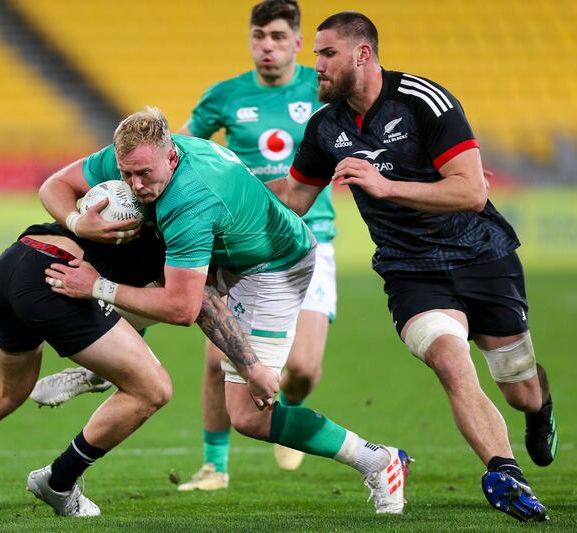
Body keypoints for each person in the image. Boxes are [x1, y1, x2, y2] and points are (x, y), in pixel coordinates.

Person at [39, 106, 412, 514]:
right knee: (135, 264)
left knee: (250, 417)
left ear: (172, 156)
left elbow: (184, 308)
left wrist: (97, 286)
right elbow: (54, 186)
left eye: (144, 174)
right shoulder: (135, 153)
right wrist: (78, 223)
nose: (134, 185)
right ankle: (103, 370)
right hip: (225, 250)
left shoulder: (192, 201)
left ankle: (378, 460)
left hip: (274, 267)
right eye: (127, 173)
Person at [272, 11, 555, 522]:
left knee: (520, 389)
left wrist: (385, 185)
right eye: (314, 55)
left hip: (482, 258)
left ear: (363, 54)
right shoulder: (325, 127)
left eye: (326, 54)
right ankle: (504, 473)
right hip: (411, 271)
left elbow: (471, 191)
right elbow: (293, 196)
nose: (315, 65)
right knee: (450, 361)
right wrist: (226, 195)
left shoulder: (424, 101)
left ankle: (541, 412)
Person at [0, 222, 176, 519]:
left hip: (13, 261)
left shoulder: (119, 180)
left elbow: (53, 186)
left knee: (3, 391)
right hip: (57, 275)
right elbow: (179, 304)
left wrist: (74, 219)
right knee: (152, 389)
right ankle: (59, 481)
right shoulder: (182, 216)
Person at [174, 0, 336, 488]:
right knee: (217, 355)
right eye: (260, 36)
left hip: (312, 242)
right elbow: (181, 148)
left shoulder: (322, 87)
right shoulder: (224, 96)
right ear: (250, 39)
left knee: (304, 368)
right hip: (244, 246)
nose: (268, 46)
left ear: (298, 42)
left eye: (279, 37)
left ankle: (288, 418)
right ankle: (214, 465)